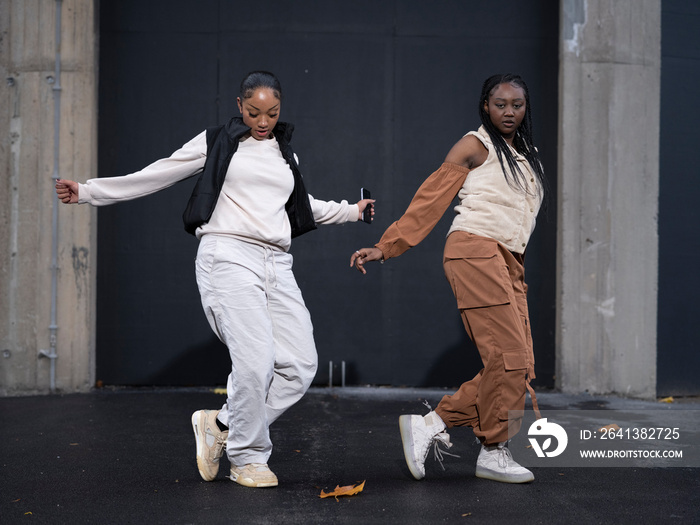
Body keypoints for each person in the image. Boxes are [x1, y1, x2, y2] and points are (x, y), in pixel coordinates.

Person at [56, 70, 375, 488]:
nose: (264, 122)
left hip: (276, 263)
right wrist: (89, 191)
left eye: (272, 113)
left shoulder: (285, 153)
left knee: (299, 366)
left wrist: (352, 210)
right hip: (227, 256)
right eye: (255, 112)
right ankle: (247, 457)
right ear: (240, 106)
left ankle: (221, 424)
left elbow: (298, 205)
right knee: (256, 361)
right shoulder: (215, 142)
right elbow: (159, 172)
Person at [350, 73, 545, 484]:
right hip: (475, 250)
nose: (509, 111)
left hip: (509, 260)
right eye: (500, 104)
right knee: (507, 358)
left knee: (518, 365)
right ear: (485, 106)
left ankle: (431, 425)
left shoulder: (526, 154)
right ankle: (493, 450)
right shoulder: (474, 145)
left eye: (517, 104)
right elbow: (431, 198)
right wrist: (388, 246)